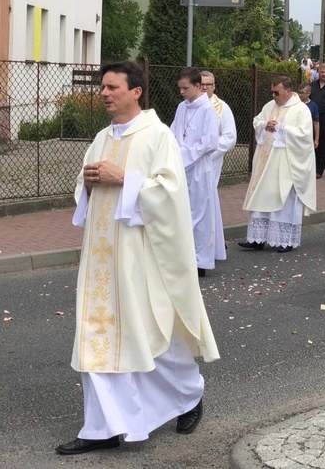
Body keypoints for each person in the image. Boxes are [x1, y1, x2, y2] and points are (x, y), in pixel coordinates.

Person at [57, 61, 219, 456]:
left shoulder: (157, 136)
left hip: (138, 257)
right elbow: (85, 185)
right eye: (103, 87)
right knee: (97, 338)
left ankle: (188, 393)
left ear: (136, 92)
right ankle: (102, 427)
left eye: (113, 87)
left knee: (148, 338)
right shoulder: (100, 137)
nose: (105, 93)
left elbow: (169, 194)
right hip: (99, 260)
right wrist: (90, 183)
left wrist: (124, 179)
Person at [240, 76, 316, 253]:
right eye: (272, 92)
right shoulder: (269, 106)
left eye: (277, 92)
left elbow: (304, 136)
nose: (274, 96)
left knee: (284, 201)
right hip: (265, 164)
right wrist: (265, 124)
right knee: (261, 197)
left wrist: (282, 128)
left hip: (287, 165)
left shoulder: (301, 110)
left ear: (288, 91)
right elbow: (256, 121)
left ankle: (285, 240)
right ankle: (257, 238)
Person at [170, 67, 221, 277]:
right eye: (180, 88)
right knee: (181, 211)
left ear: (198, 86)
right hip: (181, 167)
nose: (181, 92)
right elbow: (173, 132)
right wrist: (172, 153)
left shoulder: (207, 109)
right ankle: (182, 257)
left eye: (185, 88)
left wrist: (184, 156)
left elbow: (210, 142)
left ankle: (200, 261)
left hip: (199, 167)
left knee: (199, 215)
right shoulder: (182, 107)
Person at [200, 71, 236, 252]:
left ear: (214, 86)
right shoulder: (189, 106)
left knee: (208, 198)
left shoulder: (222, 108)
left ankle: (213, 242)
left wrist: (208, 152)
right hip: (191, 163)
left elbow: (230, 137)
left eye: (208, 84)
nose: (205, 88)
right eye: (202, 84)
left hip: (210, 161)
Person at [297, 82, 320, 149]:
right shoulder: (295, 104)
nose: (299, 95)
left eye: (302, 93)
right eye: (299, 92)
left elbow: (316, 123)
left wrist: (316, 139)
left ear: (308, 93)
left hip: (307, 135)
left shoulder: (313, 106)